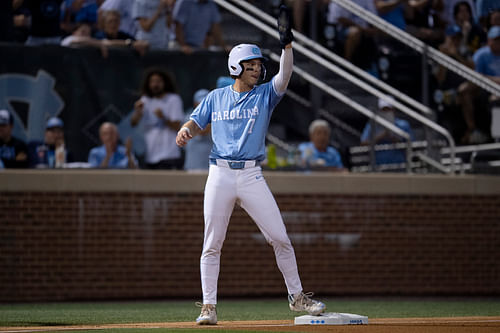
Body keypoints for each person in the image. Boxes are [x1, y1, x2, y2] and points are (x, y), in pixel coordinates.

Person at [176, 5, 325, 325]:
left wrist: (287, 45)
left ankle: (297, 297)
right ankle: (209, 307)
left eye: (259, 64)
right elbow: (194, 120)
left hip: (251, 175)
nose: (258, 69)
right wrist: (185, 129)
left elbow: (284, 76)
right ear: (236, 67)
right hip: (220, 173)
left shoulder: (265, 96)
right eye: (252, 65)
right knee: (212, 244)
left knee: (280, 237)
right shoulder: (216, 96)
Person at [131, 68, 184, 169]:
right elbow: (133, 123)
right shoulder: (145, 100)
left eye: (158, 81)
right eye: (152, 82)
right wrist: (137, 111)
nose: (155, 85)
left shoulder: (173, 99)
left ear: (165, 83)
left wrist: (163, 118)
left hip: (169, 154)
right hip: (150, 155)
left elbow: (178, 126)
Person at [457, 26, 500, 144]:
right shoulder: (481, 54)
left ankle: (498, 137)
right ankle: (472, 129)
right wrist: (491, 80)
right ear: (489, 40)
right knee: (464, 90)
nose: (498, 42)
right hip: (483, 87)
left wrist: (489, 79)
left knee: (496, 99)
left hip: (497, 91)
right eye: (495, 39)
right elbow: (476, 77)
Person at [360, 97, 414, 167]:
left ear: (394, 109)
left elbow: (412, 145)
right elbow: (363, 143)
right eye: (383, 109)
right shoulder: (372, 125)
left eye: (388, 109)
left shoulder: (403, 124)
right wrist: (382, 135)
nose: (386, 112)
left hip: (400, 166)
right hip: (378, 166)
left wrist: (394, 138)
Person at [326, 0, 379, 68]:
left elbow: (374, 17)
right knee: (355, 32)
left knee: (379, 31)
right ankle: (346, 63)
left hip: (364, 30)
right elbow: (339, 18)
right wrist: (362, 29)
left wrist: (373, 30)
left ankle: (373, 68)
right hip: (341, 30)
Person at [183, 89, 211, 171]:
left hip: (211, 166)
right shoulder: (188, 118)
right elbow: (202, 131)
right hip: (193, 165)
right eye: (200, 103)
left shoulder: (216, 118)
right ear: (195, 104)